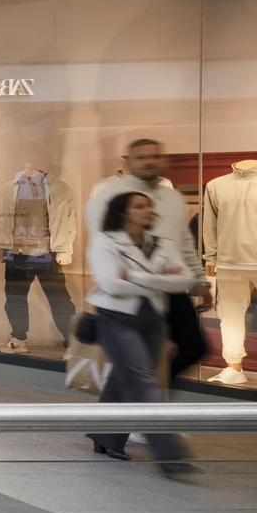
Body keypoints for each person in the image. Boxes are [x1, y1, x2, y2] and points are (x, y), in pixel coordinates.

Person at [86, 190, 204, 473]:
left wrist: (136, 277)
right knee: (143, 382)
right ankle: (170, 455)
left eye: (150, 206)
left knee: (124, 378)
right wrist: (162, 280)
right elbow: (111, 284)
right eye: (140, 206)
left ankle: (104, 436)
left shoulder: (164, 243)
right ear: (124, 212)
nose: (148, 211)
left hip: (153, 319)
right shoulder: (105, 242)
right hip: (116, 317)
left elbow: (184, 281)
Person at [86, 139, 207, 380]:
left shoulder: (171, 197)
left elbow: (184, 241)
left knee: (194, 347)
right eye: (141, 157)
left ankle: (144, 397)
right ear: (128, 161)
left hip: (167, 283)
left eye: (154, 156)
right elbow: (101, 240)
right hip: (130, 291)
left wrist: (199, 280)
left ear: (163, 160)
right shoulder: (107, 194)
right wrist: (112, 276)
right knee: (135, 364)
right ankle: (146, 399)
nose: (149, 162)